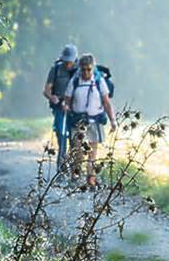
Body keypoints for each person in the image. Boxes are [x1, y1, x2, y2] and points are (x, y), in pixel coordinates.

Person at [63, 53, 117, 186]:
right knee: (78, 152)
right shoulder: (74, 81)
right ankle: (76, 177)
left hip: (95, 121)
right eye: (84, 69)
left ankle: (90, 178)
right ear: (80, 68)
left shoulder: (99, 81)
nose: (86, 72)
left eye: (89, 69)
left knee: (93, 152)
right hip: (77, 122)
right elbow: (67, 100)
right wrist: (65, 106)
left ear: (92, 68)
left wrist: (113, 120)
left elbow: (106, 102)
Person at [43, 44, 78, 169]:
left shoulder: (81, 70)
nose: (68, 64)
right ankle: (61, 169)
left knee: (75, 140)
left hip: (75, 109)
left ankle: (75, 170)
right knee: (61, 138)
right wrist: (52, 97)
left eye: (70, 61)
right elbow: (46, 90)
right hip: (59, 109)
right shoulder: (56, 69)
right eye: (66, 61)